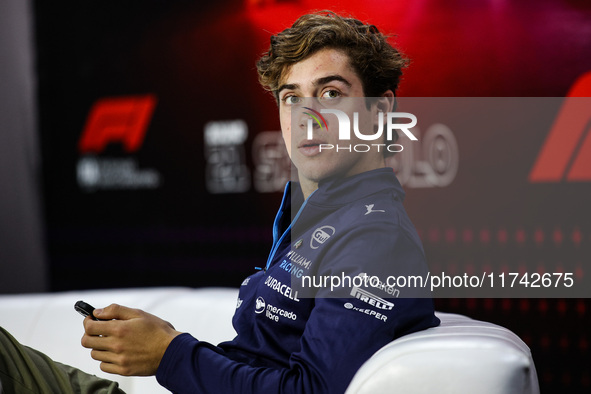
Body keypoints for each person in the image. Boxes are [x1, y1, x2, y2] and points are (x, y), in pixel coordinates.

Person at [0, 11, 439, 394]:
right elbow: (263, 360)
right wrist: (165, 340)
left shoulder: (376, 241)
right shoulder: (325, 218)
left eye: (330, 93)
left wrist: (170, 353)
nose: (308, 118)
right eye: (291, 98)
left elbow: (310, 389)